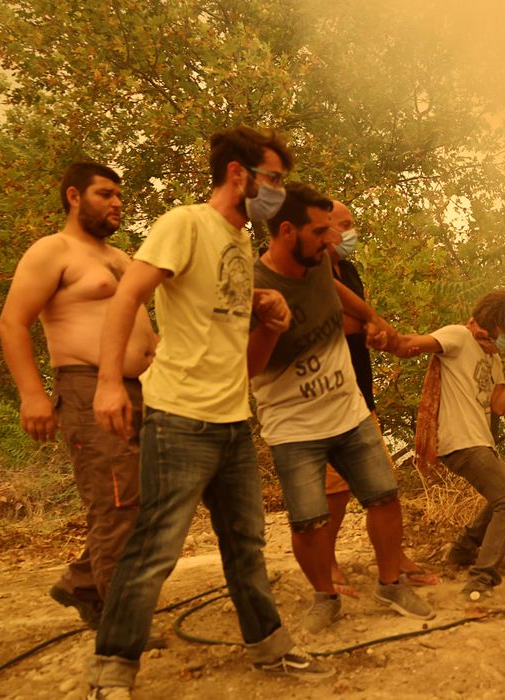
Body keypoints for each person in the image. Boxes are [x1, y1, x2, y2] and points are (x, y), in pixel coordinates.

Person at [88, 126, 330, 696]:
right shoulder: (185, 223)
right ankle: (112, 672)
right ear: (238, 175)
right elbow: (129, 295)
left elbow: (225, 323)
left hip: (231, 420)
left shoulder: (238, 239)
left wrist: (265, 310)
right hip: (178, 418)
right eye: (272, 179)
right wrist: (108, 384)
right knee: (155, 549)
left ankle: (269, 648)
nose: (278, 192)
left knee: (246, 543)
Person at [246, 184, 433, 632]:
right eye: (320, 232)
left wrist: (377, 327)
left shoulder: (319, 270)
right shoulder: (253, 286)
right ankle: (323, 597)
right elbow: (248, 368)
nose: (331, 240)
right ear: (287, 231)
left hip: (349, 412)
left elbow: (355, 306)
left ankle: (390, 583)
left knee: (385, 497)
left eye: (333, 230)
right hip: (293, 426)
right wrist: (272, 327)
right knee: (308, 522)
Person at [0, 162, 158, 629]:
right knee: (117, 504)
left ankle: (84, 582)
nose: (116, 204)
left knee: (146, 501)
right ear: (74, 196)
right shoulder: (54, 250)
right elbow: (12, 323)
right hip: (89, 388)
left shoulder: (120, 257)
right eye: (105, 194)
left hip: (141, 390)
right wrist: (33, 394)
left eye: (119, 197)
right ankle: (122, 628)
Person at [315, 200, 437, 595]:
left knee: (382, 483)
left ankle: (393, 557)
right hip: (325, 394)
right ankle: (326, 561)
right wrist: (372, 326)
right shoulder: (309, 269)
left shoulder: (347, 269)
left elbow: (361, 320)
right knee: (335, 490)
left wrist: (377, 333)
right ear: (322, 228)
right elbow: (332, 318)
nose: (351, 232)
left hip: (359, 391)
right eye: (343, 225)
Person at [393, 290, 505, 599]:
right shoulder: (459, 336)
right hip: (460, 441)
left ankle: (463, 549)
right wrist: (388, 337)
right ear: (497, 323)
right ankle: (481, 577)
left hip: (481, 442)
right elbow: (415, 344)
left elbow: (499, 405)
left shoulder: (493, 356)